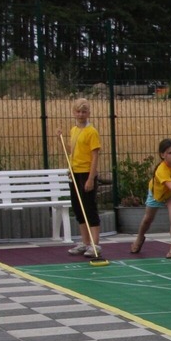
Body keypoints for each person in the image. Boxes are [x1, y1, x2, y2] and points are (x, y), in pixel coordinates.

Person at [63, 98, 103, 258]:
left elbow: (95, 156)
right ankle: (85, 242)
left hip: (86, 172)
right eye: (78, 111)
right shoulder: (74, 130)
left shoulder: (91, 132)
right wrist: (61, 141)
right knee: (78, 208)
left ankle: (95, 244)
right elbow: (73, 151)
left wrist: (91, 178)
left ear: (88, 113)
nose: (81, 114)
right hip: (75, 172)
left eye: (84, 112)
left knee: (89, 207)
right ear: (74, 113)